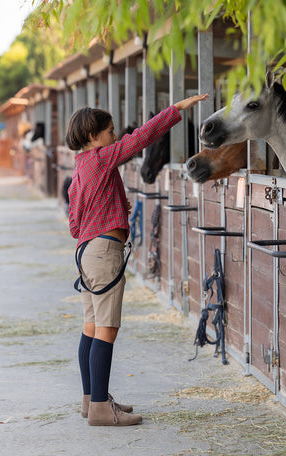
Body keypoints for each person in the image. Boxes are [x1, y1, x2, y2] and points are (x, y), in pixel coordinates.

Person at [66, 93, 209, 426]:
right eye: (111, 131)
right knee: (106, 329)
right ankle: (101, 407)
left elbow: (75, 224)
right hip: (103, 253)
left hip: (86, 251)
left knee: (90, 327)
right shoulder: (101, 159)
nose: (116, 136)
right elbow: (141, 137)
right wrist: (177, 110)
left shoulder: (81, 168)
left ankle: (91, 400)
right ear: (92, 136)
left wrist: (113, 211)